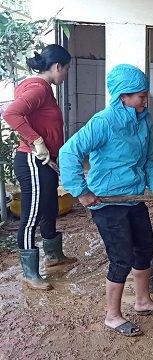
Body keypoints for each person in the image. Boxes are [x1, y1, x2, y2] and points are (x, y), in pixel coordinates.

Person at [59, 64, 153, 337]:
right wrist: (81, 191)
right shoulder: (104, 121)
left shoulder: (144, 119)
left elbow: (146, 159)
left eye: (145, 93)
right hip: (107, 202)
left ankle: (143, 301)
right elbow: (68, 152)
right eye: (139, 95)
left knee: (145, 248)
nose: (145, 98)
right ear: (123, 95)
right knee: (121, 258)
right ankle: (112, 316)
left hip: (133, 198)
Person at [3, 44, 77, 291]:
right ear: (57, 66)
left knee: (49, 207)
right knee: (31, 215)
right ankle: (29, 273)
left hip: (44, 161)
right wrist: (37, 142)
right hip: (32, 161)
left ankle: (54, 256)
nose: (65, 74)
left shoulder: (42, 88)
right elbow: (11, 113)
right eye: (66, 69)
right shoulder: (38, 89)